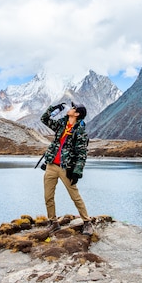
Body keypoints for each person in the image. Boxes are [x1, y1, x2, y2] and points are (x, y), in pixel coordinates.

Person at [40, 101, 93, 236]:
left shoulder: (80, 131)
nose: (70, 108)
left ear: (77, 114)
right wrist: (55, 109)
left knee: (75, 196)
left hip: (66, 168)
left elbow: (82, 154)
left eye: (73, 108)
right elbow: (44, 119)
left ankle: (87, 222)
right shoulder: (61, 125)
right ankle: (53, 223)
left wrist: (77, 172)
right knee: (48, 196)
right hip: (51, 165)